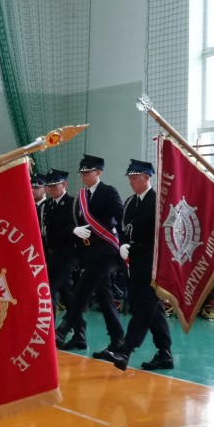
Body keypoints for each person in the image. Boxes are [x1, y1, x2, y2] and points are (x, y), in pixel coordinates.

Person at [101, 160, 173, 371]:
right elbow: (123, 228)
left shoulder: (158, 201)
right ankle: (165, 354)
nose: (131, 182)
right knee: (153, 308)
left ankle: (126, 349)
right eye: (130, 178)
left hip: (154, 260)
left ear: (147, 177)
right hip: (135, 261)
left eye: (135, 177)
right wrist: (122, 243)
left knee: (145, 305)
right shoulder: (131, 202)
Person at [55, 154, 125, 352]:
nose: (84, 175)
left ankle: (64, 328)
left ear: (99, 172)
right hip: (89, 252)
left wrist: (124, 243)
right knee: (104, 297)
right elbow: (73, 221)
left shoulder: (108, 191)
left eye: (88, 172)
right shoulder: (82, 196)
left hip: (106, 250)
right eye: (82, 172)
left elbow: (120, 218)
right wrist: (73, 231)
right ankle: (118, 341)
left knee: (82, 289)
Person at [42, 169, 77, 312]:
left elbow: (73, 226)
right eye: (49, 186)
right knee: (67, 294)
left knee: (48, 290)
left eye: (54, 186)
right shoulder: (47, 205)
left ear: (64, 185)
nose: (51, 189)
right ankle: (79, 329)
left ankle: (53, 332)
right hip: (51, 255)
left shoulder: (72, 203)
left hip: (66, 255)